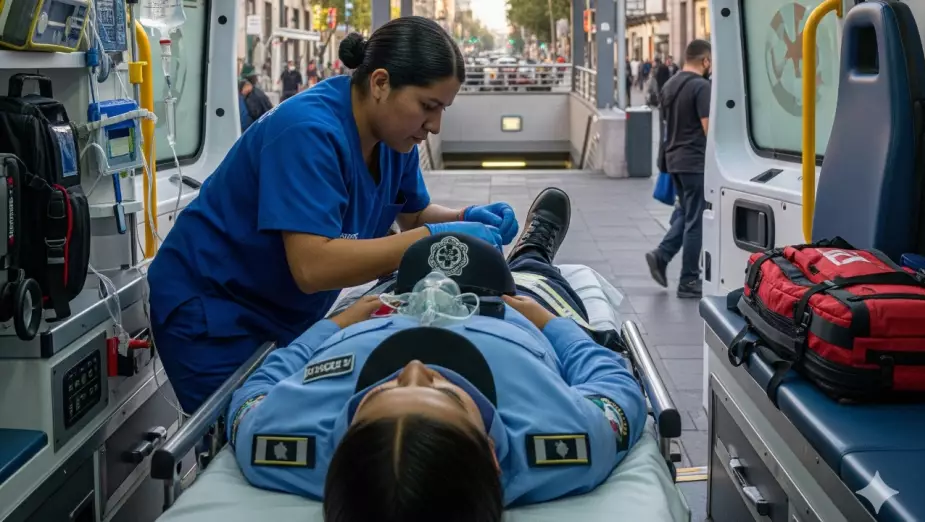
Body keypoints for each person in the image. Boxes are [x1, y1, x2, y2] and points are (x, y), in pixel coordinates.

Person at [147, 17, 520, 413]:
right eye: (428, 106)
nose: (435, 125)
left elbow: (414, 216)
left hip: (284, 312)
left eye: (443, 109)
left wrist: (465, 216)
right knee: (251, 427)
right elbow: (313, 267)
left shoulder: (395, 139)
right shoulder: (307, 132)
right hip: (214, 312)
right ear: (380, 83)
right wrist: (435, 238)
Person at [229, 188, 647, 521]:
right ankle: (533, 251)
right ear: (493, 457)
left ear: (338, 452)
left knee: (391, 271)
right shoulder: (566, 441)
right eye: (445, 393)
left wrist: (334, 326)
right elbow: (615, 383)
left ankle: (394, 255)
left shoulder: (278, 442)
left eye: (377, 393)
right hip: (507, 310)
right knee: (536, 278)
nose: (414, 367)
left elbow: (257, 386)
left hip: (389, 304)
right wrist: (550, 325)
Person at [646, 39, 712, 298]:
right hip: (694, 161)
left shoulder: (670, 85)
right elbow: (708, 129)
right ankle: (688, 279)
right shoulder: (701, 87)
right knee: (696, 219)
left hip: (673, 160)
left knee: (685, 212)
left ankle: (661, 256)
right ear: (705, 61)